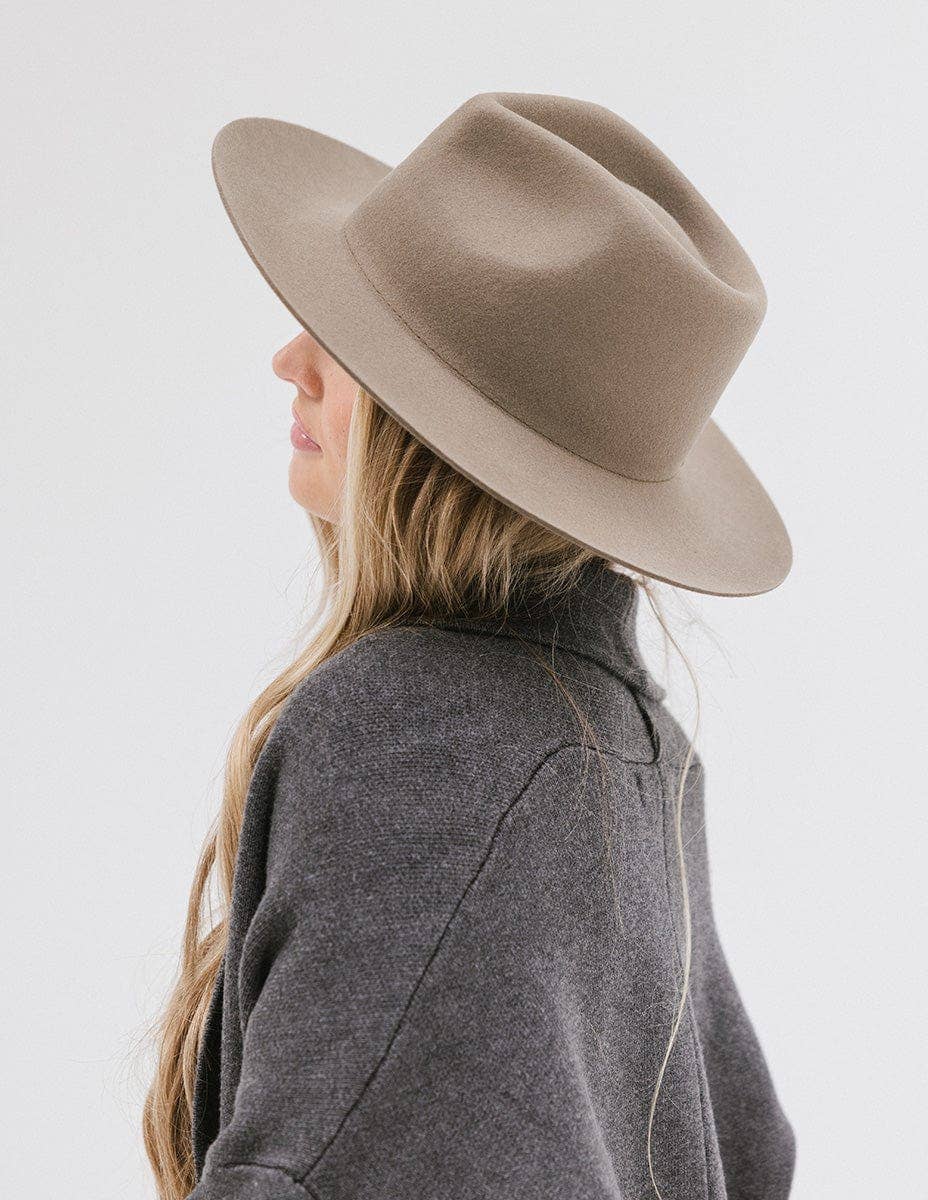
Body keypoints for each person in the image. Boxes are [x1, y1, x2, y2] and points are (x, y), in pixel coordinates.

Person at [144, 91, 796, 1200]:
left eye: (350, 337)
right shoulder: (636, 756)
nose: (292, 359)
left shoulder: (414, 733)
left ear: (436, 430)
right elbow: (750, 1152)